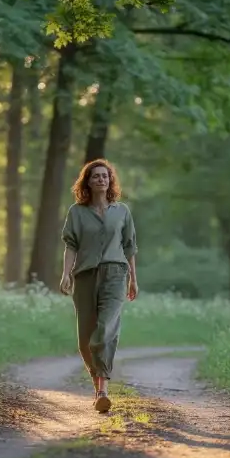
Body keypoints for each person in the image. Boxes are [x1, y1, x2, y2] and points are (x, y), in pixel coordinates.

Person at [59, 159, 138, 413]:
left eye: (105, 176)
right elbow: (71, 244)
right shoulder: (76, 212)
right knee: (85, 339)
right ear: (87, 182)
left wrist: (133, 279)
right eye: (95, 176)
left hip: (115, 274)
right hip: (85, 276)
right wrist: (66, 274)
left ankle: (103, 390)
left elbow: (130, 248)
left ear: (110, 180)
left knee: (105, 329)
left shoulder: (122, 211)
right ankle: (98, 387)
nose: (101, 179)